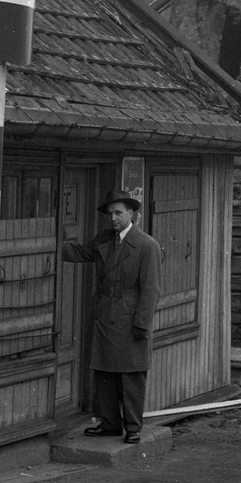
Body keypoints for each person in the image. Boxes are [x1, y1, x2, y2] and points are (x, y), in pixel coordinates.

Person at [62, 189, 162, 444]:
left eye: (119, 213)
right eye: (110, 214)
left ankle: (133, 427)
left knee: (131, 376)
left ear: (132, 213)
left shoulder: (146, 245)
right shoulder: (105, 239)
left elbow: (150, 290)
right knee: (104, 373)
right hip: (105, 316)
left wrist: (141, 325)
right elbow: (81, 252)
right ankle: (109, 424)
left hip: (130, 319)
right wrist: (53, 241)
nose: (113, 218)